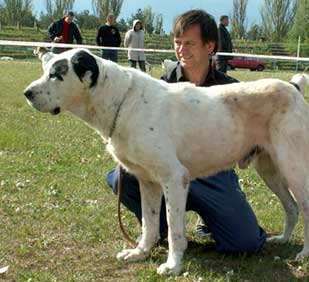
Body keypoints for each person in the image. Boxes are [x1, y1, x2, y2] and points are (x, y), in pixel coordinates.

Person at [106, 9, 267, 254]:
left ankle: (211, 218)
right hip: (166, 169)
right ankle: (158, 229)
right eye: (178, 43)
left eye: (190, 43)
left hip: (214, 177)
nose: (181, 49)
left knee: (245, 243)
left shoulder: (232, 90)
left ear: (210, 46)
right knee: (121, 178)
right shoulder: (161, 85)